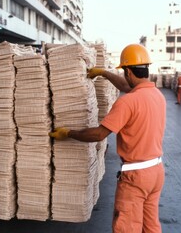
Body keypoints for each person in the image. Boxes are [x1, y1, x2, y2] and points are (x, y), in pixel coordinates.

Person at [49, 44, 166, 233]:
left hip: (136, 178)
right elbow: (127, 86)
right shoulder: (157, 95)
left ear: (127, 71)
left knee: (126, 227)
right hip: (156, 171)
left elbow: (99, 134)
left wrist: (68, 133)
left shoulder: (127, 102)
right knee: (150, 226)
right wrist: (103, 73)